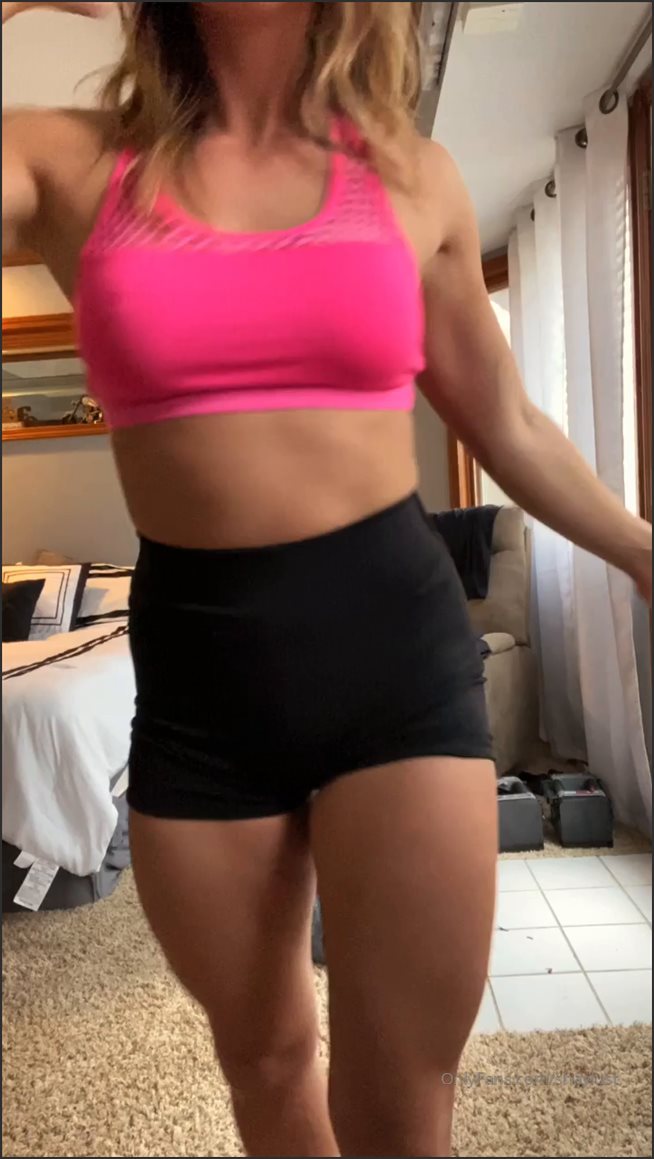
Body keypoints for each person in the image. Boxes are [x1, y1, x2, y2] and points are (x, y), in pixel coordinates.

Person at [3, 3, 651, 1156]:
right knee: (263, 1061)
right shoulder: (61, 160)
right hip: (200, 681)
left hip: (394, 661)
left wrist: (645, 550)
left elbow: (505, 420)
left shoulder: (412, 176)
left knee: (403, 1102)